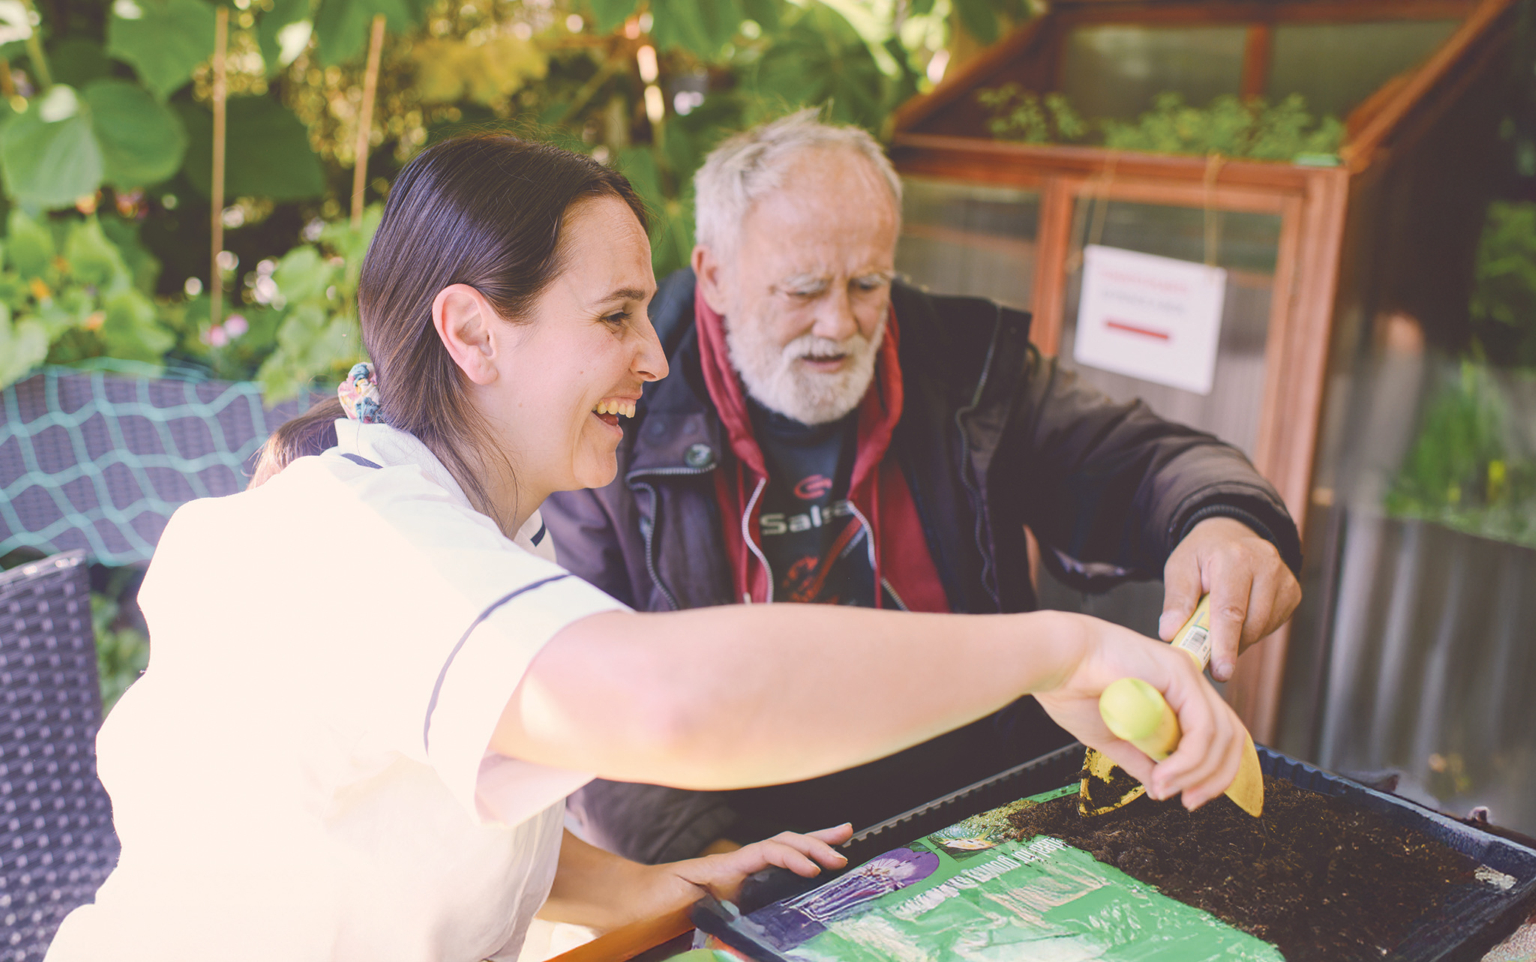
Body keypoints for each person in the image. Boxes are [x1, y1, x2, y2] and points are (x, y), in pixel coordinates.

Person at [45, 134, 1249, 962]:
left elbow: (416, 804)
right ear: (472, 331)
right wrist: (1057, 650)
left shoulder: (463, 524)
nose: (658, 355)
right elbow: (672, 703)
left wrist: (648, 882)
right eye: (617, 317)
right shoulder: (359, 541)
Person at [542, 109, 1305, 864]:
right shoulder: (617, 412)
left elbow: (1133, 461)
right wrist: (717, 871)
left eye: (868, 283)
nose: (839, 324)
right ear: (715, 276)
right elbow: (592, 702)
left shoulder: (960, 362)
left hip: (989, 802)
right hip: (755, 831)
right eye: (803, 290)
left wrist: (1225, 520)